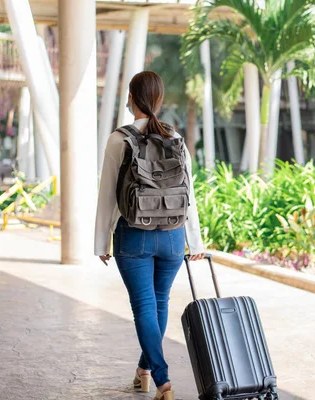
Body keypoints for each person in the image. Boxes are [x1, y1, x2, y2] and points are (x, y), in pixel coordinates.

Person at [94, 71, 205, 400]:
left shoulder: (120, 139)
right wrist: (195, 242)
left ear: (132, 98)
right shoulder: (175, 137)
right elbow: (189, 193)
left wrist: (101, 242)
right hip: (173, 235)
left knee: (144, 307)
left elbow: (107, 196)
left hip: (134, 236)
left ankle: (163, 382)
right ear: (158, 99)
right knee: (159, 304)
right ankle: (144, 373)